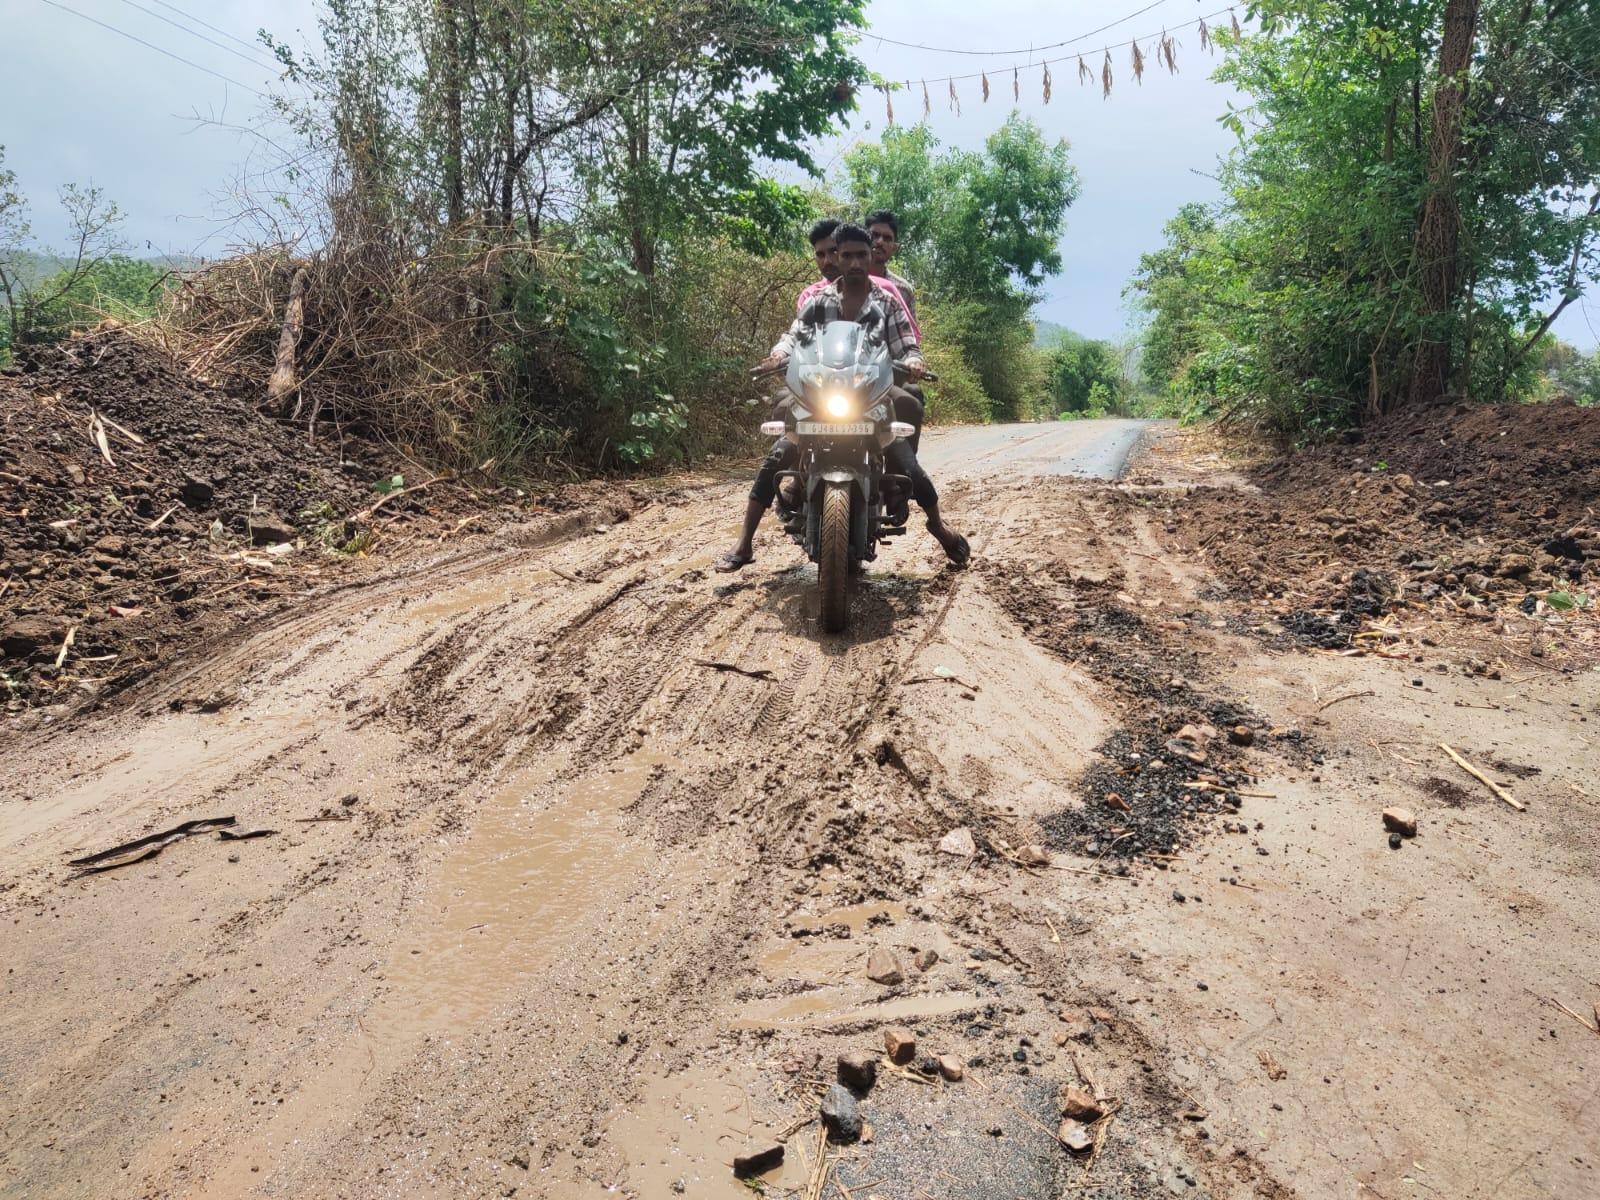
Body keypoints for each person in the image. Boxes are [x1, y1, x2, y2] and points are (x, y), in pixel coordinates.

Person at [716, 223, 968, 574]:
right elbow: (794, 337)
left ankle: (937, 525)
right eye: (845, 255)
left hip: (870, 393)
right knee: (778, 453)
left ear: (870, 257)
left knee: (907, 460)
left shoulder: (887, 300)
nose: (853, 263)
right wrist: (777, 356)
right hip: (824, 392)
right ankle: (744, 543)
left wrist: (913, 361)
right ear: (837, 256)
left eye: (861, 255)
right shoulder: (819, 302)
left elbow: (906, 343)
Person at [865, 210, 917, 323]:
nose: (879, 242)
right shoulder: (844, 282)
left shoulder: (903, 290)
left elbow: (911, 338)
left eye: (887, 238)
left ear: (894, 248)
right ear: (863, 239)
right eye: (874, 235)